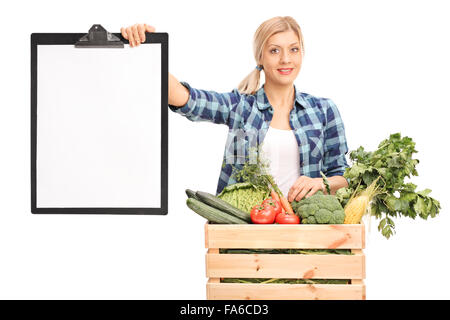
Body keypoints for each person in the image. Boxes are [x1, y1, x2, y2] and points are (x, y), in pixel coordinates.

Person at [121, 16, 349, 202]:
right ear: (260, 56)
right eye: (274, 51)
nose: (286, 59)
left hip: (302, 232)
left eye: (294, 49)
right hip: (245, 230)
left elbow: (343, 176)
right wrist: (143, 47)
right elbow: (186, 99)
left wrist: (321, 182)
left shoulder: (324, 111)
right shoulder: (241, 107)